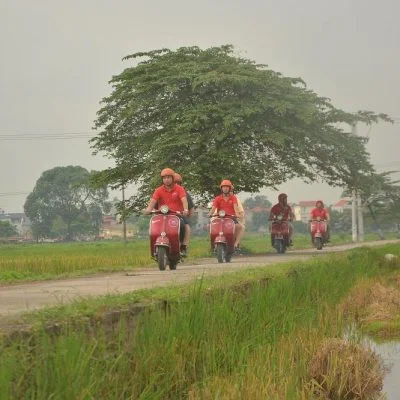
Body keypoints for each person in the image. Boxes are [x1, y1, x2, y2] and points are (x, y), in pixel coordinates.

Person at [143, 168, 190, 255]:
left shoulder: (179, 189)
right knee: (154, 227)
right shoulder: (158, 190)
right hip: (162, 215)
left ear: (173, 178)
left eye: (168, 177)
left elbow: (184, 200)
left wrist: (186, 209)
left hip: (176, 215)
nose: (166, 180)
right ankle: (154, 245)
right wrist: (148, 210)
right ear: (162, 179)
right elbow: (153, 201)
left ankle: (183, 245)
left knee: (184, 226)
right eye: (164, 178)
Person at [208, 179, 244, 250]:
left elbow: (236, 208)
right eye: (223, 187)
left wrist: (237, 215)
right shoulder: (217, 198)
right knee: (210, 227)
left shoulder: (233, 198)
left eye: (227, 187)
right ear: (221, 188)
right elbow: (213, 208)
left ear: (230, 188)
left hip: (231, 218)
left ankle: (236, 244)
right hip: (220, 218)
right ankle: (213, 244)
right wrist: (210, 214)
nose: (225, 188)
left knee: (239, 227)